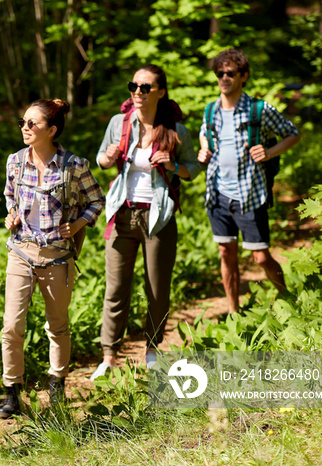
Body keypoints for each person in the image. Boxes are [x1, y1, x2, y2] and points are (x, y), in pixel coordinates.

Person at [90, 64, 201, 380]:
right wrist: (108, 158)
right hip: (123, 214)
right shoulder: (118, 123)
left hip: (159, 216)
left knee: (157, 289)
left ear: (160, 92)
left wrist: (174, 164)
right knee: (115, 288)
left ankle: (152, 351)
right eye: (133, 86)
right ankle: (109, 356)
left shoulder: (176, 130)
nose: (137, 92)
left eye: (145, 87)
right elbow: (101, 158)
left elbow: (192, 169)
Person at [0, 99, 105, 418]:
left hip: (58, 257)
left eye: (32, 123)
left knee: (57, 325)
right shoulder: (15, 161)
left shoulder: (74, 165)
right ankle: (11, 392)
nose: (25, 128)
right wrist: (12, 215)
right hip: (20, 252)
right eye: (22, 122)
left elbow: (96, 200)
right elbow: (9, 195)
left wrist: (78, 224)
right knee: (11, 325)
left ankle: (56, 384)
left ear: (52, 130)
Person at [197, 49, 300, 314]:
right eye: (220, 73)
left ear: (243, 76)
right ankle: (234, 312)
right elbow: (204, 134)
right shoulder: (211, 110)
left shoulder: (259, 109)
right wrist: (203, 148)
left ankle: (288, 301)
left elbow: (292, 134)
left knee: (260, 256)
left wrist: (269, 152)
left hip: (250, 195)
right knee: (225, 253)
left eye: (230, 73)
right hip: (218, 195)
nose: (224, 78)